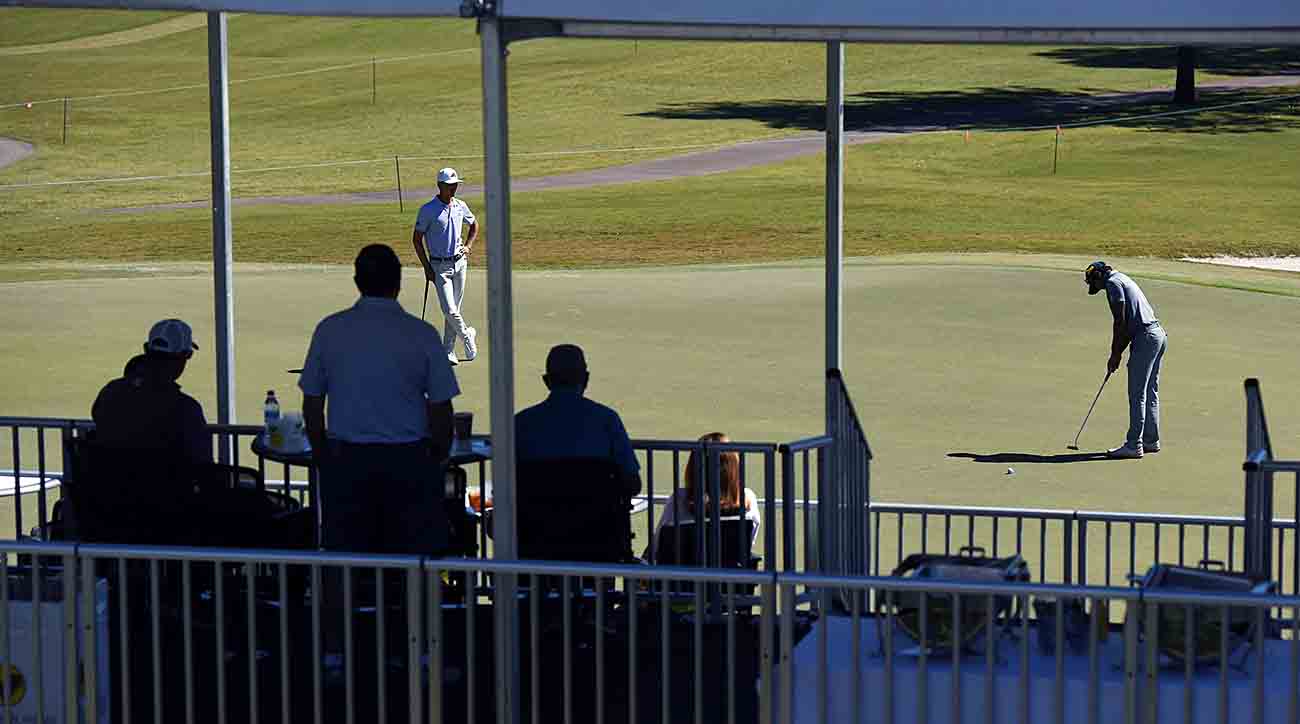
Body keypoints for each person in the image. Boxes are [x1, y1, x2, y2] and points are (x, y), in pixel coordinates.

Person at [299, 243, 460, 555]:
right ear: (398, 283)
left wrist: (324, 457)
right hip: (408, 464)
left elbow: (312, 404)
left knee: (344, 560)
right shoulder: (422, 334)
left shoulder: (330, 330)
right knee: (413, 563)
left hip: (348, 464)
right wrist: (434, 458)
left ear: (358, 282)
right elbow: (442, 410)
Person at [515, 344, 641, 496]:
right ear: (586, 378)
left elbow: (506, 482)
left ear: (546, 381)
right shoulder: (607, 420)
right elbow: (633, 484)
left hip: (536, 518)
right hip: (597, 517)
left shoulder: (521, 423)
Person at [91, 318, 211, 468]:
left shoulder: (110, 392)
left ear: (147, 349)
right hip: (164, 490)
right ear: (183, 357)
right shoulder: (186, 410)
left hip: (105, 488)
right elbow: (203, 466)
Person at [1085, 261, 1167, 459]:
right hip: (1158, 335)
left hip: (1146, 338)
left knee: (1137, 394)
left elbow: (1120, 322)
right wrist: (1118, 352)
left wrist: (1115, 354)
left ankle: (1134, 445)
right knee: (1150, 391)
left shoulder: (1113, 284)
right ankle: (1150, 440)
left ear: (1099, 277)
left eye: (1095, 284)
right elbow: (1127, 325)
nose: (1096, 288)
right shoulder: (1122, 277)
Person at [649, 432, 761, 561]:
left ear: (693, 467)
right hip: (729, 577)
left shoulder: (680, 499)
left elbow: (658, 545)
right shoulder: (747, 497)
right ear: (734, 468)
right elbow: (748, 543)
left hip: (683, 577)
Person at [412, 166, 479, 367]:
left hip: (460, 263)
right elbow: (417, 239)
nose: (454, 189)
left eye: (455, 185)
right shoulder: (428, 210)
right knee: (449, 309)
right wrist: (426, 266)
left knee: (454, 309)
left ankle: (448, 350)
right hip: (439, 267)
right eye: (450, 186)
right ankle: (467, 335)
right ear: (440, 186)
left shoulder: (460, 206)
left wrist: (467, 246)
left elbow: (474, 224)